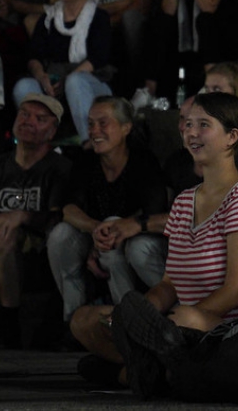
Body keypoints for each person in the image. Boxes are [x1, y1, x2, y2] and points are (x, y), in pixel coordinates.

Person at [70, 92, 238, 389]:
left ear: (232, 137)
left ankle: (136, 372)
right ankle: (158, 371)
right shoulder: (183, 201)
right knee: (84, 320)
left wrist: (164, 324)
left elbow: (235, 292)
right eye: (188, 124)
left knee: (184, 320)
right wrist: (139, 317)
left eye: (203, 125)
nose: (191, 132)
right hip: (177, 330)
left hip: (233, 328)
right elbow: (169, 284)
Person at [48, 96, 169, 324]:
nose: (94, 131)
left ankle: (126, 322)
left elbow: (153, 210)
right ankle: (75, 321)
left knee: (112, 228)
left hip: (134, 241)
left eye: (103, 123)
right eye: (91, 124)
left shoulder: (143, 161)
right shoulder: (86, 161)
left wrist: (110, 229)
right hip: (99, 239)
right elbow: (69, 209)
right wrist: (96, 229)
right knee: (60, 235)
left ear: (126, 128)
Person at [0, 94, 70, 348]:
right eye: (24, 114)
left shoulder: (60, 169)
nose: (29, 121)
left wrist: (23, 215)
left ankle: (9, 325)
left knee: (4, 234)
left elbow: (60, 217)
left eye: (40, 118)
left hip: (37, 250)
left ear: (52, 131)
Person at [12, 0, 114, 147]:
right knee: (24, 86)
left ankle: (89, 142)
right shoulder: (49, 18)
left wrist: (66, 81)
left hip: (89, 82)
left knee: (75, 81)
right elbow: (34, 55)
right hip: (54, 82)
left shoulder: (98, 17)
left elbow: (98, 57)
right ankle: (38, 144)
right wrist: (42, 77)